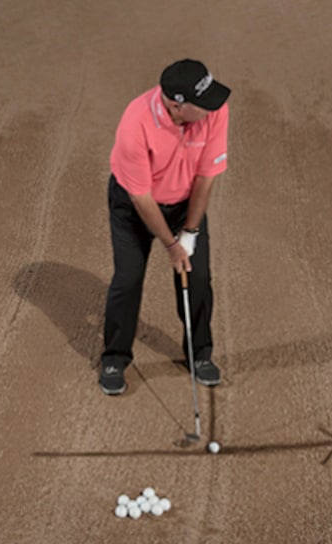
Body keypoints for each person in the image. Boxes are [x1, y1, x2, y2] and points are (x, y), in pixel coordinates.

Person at [99, 59, 231, 395]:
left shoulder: (214, 110)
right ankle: (114, 357)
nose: (213, 107)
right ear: (176, 104)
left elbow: (206, 177)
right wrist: (171, 247)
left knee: (197, 276)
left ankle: (199, 353)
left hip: (185, 201)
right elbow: (141, 197)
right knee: (128, 278)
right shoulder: (135, 123)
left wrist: (190, 232)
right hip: (134, 207)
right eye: (203, 104)